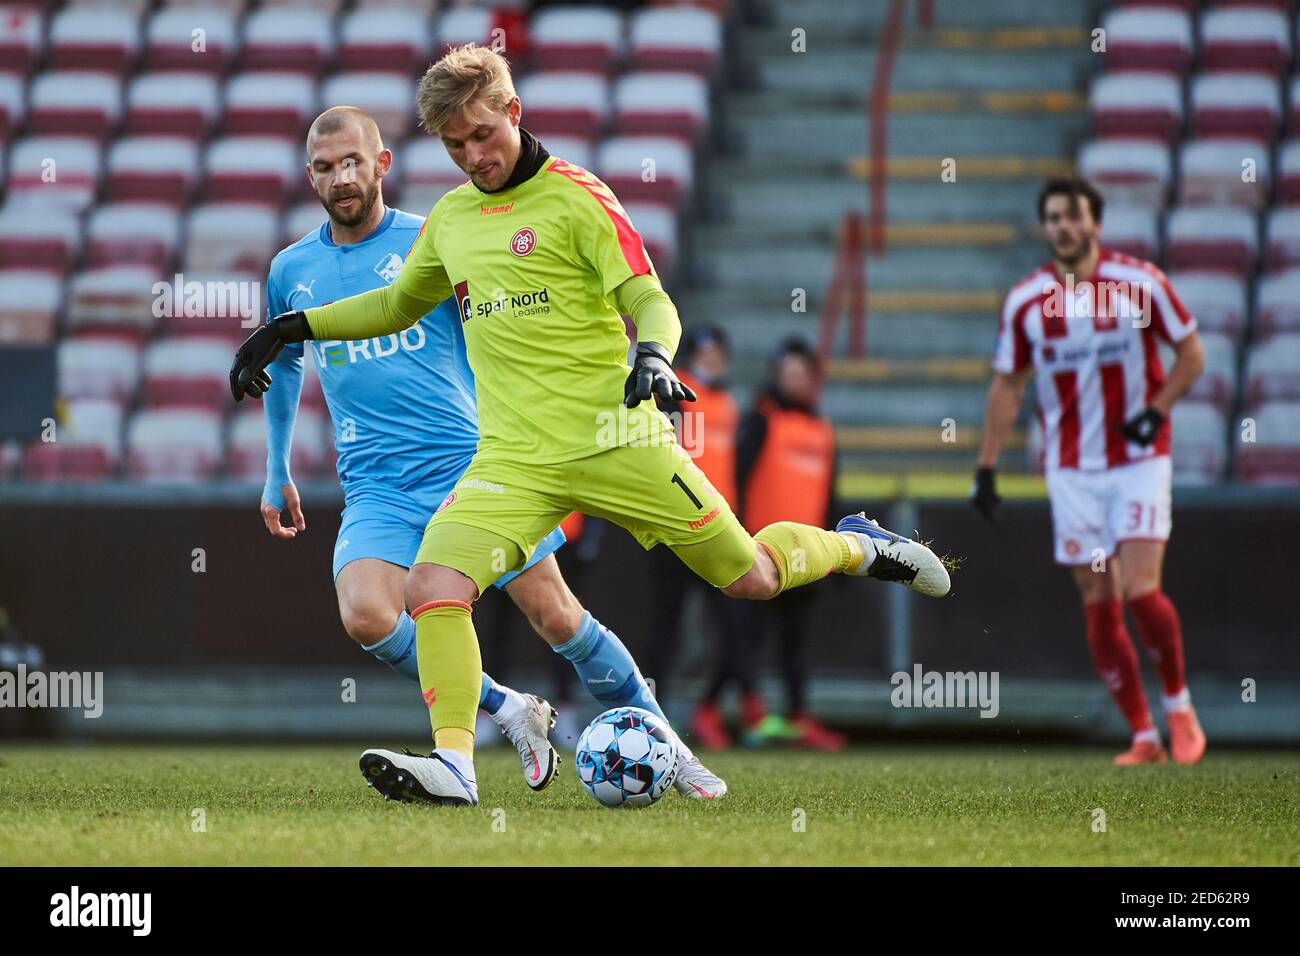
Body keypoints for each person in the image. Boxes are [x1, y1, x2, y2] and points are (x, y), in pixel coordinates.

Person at [231, 46, 951, 807]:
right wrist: (290, 328)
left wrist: (653, 354)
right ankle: (455, 765)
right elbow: (394, 306)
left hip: (620, 439)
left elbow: (651, 298)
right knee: (434, 586)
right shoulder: (450, 221)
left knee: (751, 577)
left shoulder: (579, 197)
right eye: (453, 145)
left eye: (482, 134)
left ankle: (857, 543)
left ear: (513, 112)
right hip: (512, 459)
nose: (473, 156)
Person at [255, 105, 726, 801]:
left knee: (557, 616)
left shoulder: (441, 237)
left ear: (382, 165)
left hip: (471, 464)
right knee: (366, 614)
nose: (341, 178)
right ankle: (508, 708)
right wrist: (276, 468)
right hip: (376, 482)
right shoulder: (292, 269)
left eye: (353, 162)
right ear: (309, 178)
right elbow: (285, 364)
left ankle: (671, 748)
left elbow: (500, 328)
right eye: (325, 168)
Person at [972, 175, 1207, 766]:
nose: (1064, 227)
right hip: (1072, 470)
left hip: (1137, 459)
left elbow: (1193, 353)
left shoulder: (1139, 283)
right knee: (1099, 600)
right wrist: (986, 466)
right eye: (1053, 218)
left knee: (1140, 589)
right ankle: (1144, 736)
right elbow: (1008, 383)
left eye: (1073, 216)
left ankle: (1179, 706)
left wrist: (1155, 414)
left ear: (1096, 224)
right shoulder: (1026, 302)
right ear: (1045, 227)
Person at [720, 338, 849, 751]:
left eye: (801, 373)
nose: (795, 380)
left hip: (807, 555)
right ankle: (746, 712)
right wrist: (734, 535)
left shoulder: (822, 428)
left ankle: (796, 714)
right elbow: (735, 478)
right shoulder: (760, 419)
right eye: (788, 372)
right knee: (746, 637)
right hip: (759, 550)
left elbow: (830, 495)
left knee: (795, 641)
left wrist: (837, 550)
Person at [640, 326, 752, 746]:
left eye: (720, 352)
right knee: (664, 629)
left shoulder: (727, 401)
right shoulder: (671, 391)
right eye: (708, 352)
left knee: (736, 626)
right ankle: (651, 713)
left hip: (720, 527)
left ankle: (707, 709)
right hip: (676, 527)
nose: (715, 360)